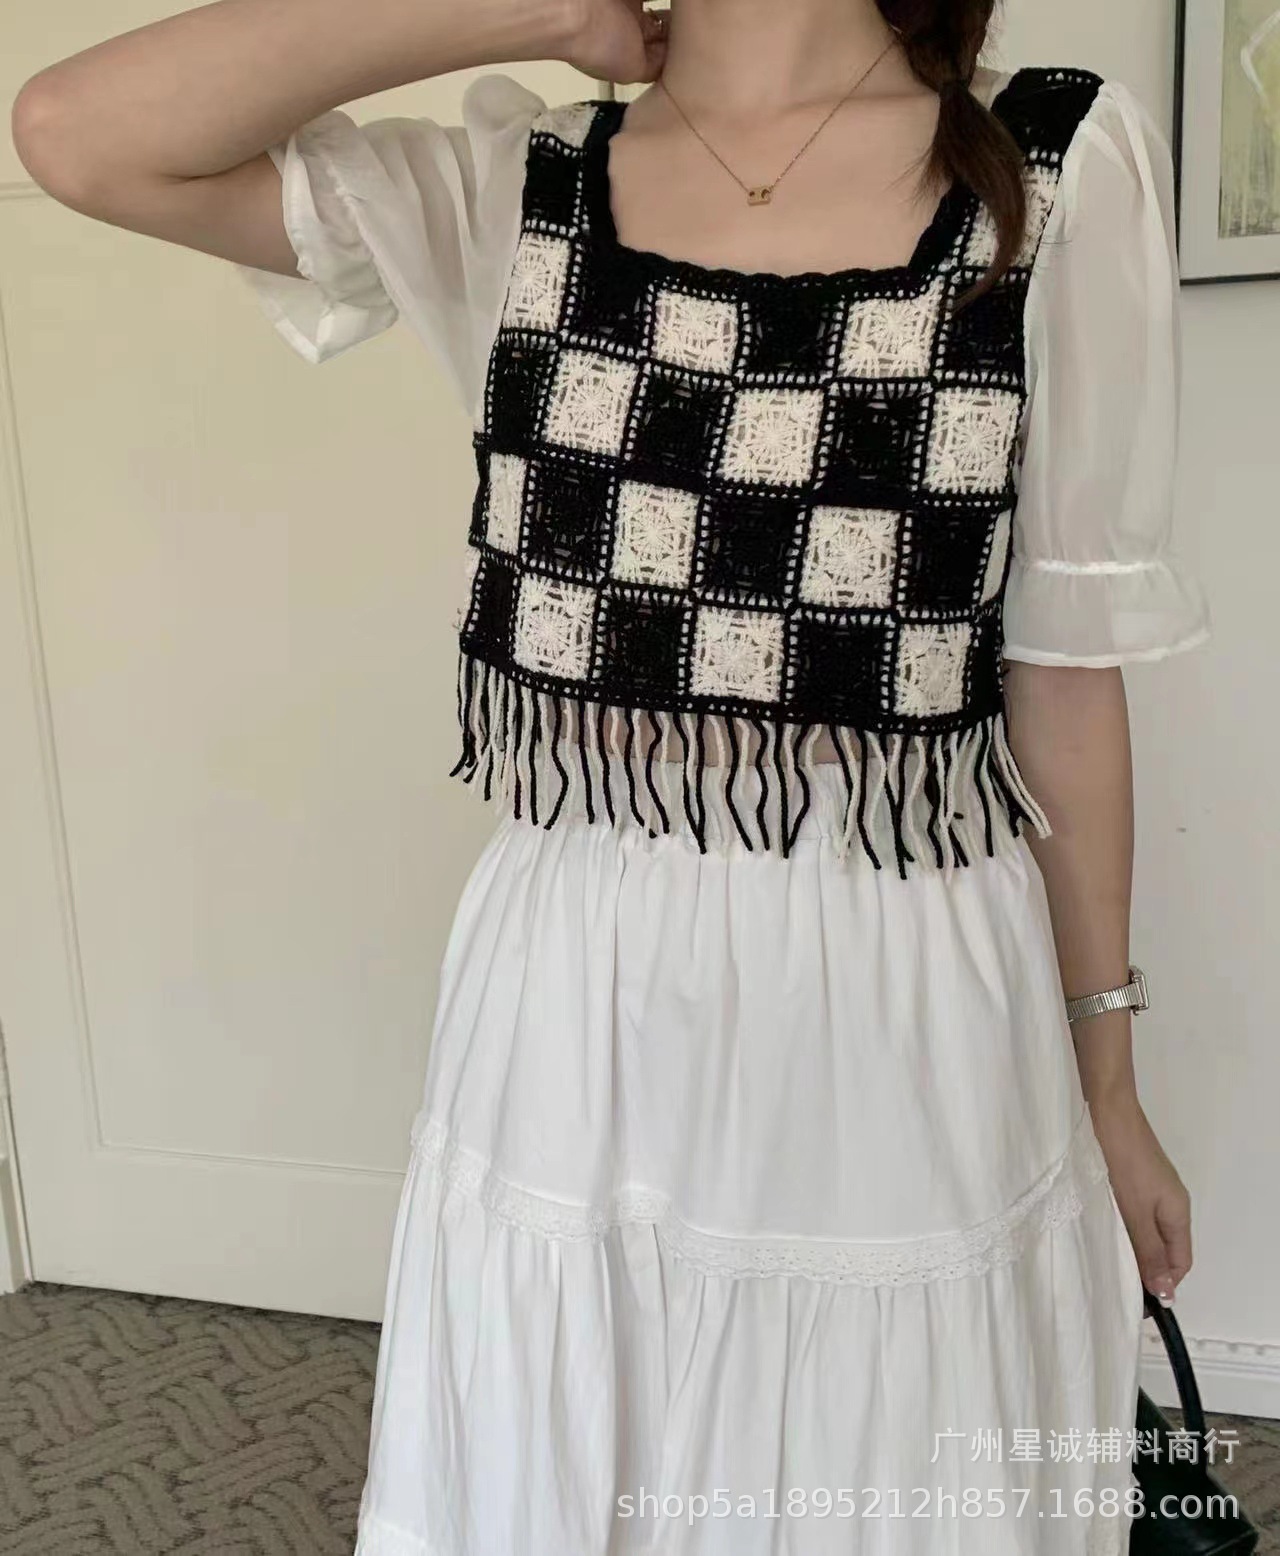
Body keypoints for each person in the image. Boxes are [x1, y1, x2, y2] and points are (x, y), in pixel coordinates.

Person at [13, 0, 1213, 1551]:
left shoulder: (1045, 163)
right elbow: (76, 136)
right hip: (583, 988)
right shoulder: (521, 185)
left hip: (901, 984)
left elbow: (1065, 670)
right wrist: (534, 13)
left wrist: (1109, 1081)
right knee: (570, 1455)